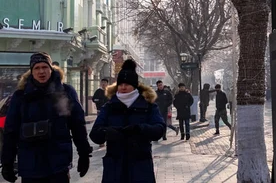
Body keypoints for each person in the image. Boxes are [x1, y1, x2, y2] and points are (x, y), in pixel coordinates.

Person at [1, 52, 92, 183]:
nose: (41, 71)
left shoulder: (65, 91)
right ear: (31, 72)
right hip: (30, 163)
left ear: (51, 68)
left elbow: (77, 125)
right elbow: (10, 131)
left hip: (58, 163)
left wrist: (84, 154)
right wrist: (7, 163)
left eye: (45, 67)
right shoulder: (20, 96)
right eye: (37, 68)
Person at [89, 59, 165, 182]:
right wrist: (108, 132)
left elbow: (160, 130)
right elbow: (94, 134)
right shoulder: (109, 106)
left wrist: (140, 128)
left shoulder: (148, 105)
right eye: (120, 84)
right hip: (115, 167)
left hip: (140, 167)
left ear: (134, 86)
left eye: (127, 84)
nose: (123, 87)